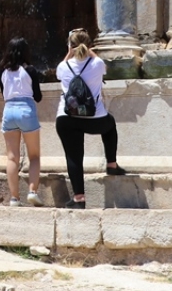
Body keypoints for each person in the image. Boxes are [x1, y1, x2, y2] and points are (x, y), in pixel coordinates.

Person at [54, 29, 128, 210]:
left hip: (67, 118)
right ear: (89, 46)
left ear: (70, 46)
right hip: (94, 118)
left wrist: (69, 52)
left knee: (73, 157)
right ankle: (111, 164)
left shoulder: (63, 66)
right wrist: (89, 50)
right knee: (110, 126)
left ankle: (79, 199)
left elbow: (60, 72)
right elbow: (97, 61)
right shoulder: (97, 63)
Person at [0, 37, 44, 207]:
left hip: (9, 110)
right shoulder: (30, 70)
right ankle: (32, 192)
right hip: (26, 110)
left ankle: (14, 198)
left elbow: (3, 93)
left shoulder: (2, 71)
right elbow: (38, 96)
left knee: (12, 158)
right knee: (34, 156)